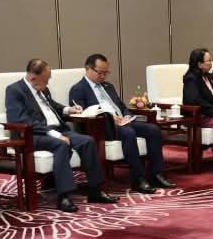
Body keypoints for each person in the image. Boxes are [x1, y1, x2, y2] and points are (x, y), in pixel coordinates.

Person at [5, 58, 116, 212]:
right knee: (61, 144)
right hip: (33, 134)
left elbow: (52, 106)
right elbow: (19, 120)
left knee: (88, 141)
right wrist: (54, 134)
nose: (47, 83)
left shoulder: (42, 88)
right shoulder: (14, 91)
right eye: (46, 80)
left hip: (58, 130)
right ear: (33, 78)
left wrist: (68, 110)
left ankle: (95, 191)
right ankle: (64, 196)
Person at [67, 53, 175, 194]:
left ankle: (156, 174)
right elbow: (83, 114)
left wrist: (126, 115)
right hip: (102, 127)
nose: (103, 76)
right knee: (128, 132)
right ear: (88, 68)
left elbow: (121, 105)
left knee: (153, 130)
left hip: (122, 122)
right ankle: (138, 179)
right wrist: (110, 118)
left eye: (106, 73)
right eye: (100, 73)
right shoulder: (78, 89)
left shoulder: (108, 86)